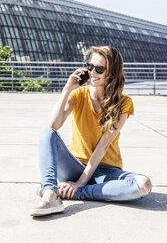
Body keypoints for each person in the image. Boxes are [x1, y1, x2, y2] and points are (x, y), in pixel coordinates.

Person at [29, 46, 152, 217]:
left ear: (112, 73)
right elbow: (53, 126)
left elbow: (103, 146)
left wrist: (79, 184)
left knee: (144, 184)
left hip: (107, 171)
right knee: (46, 133)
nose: (92, 72)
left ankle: (76, 192)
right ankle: (51, 193)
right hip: (75, 166)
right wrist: (67, 89)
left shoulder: (123, 103)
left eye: (99, 69)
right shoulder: (78, 95)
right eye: (90, 66)